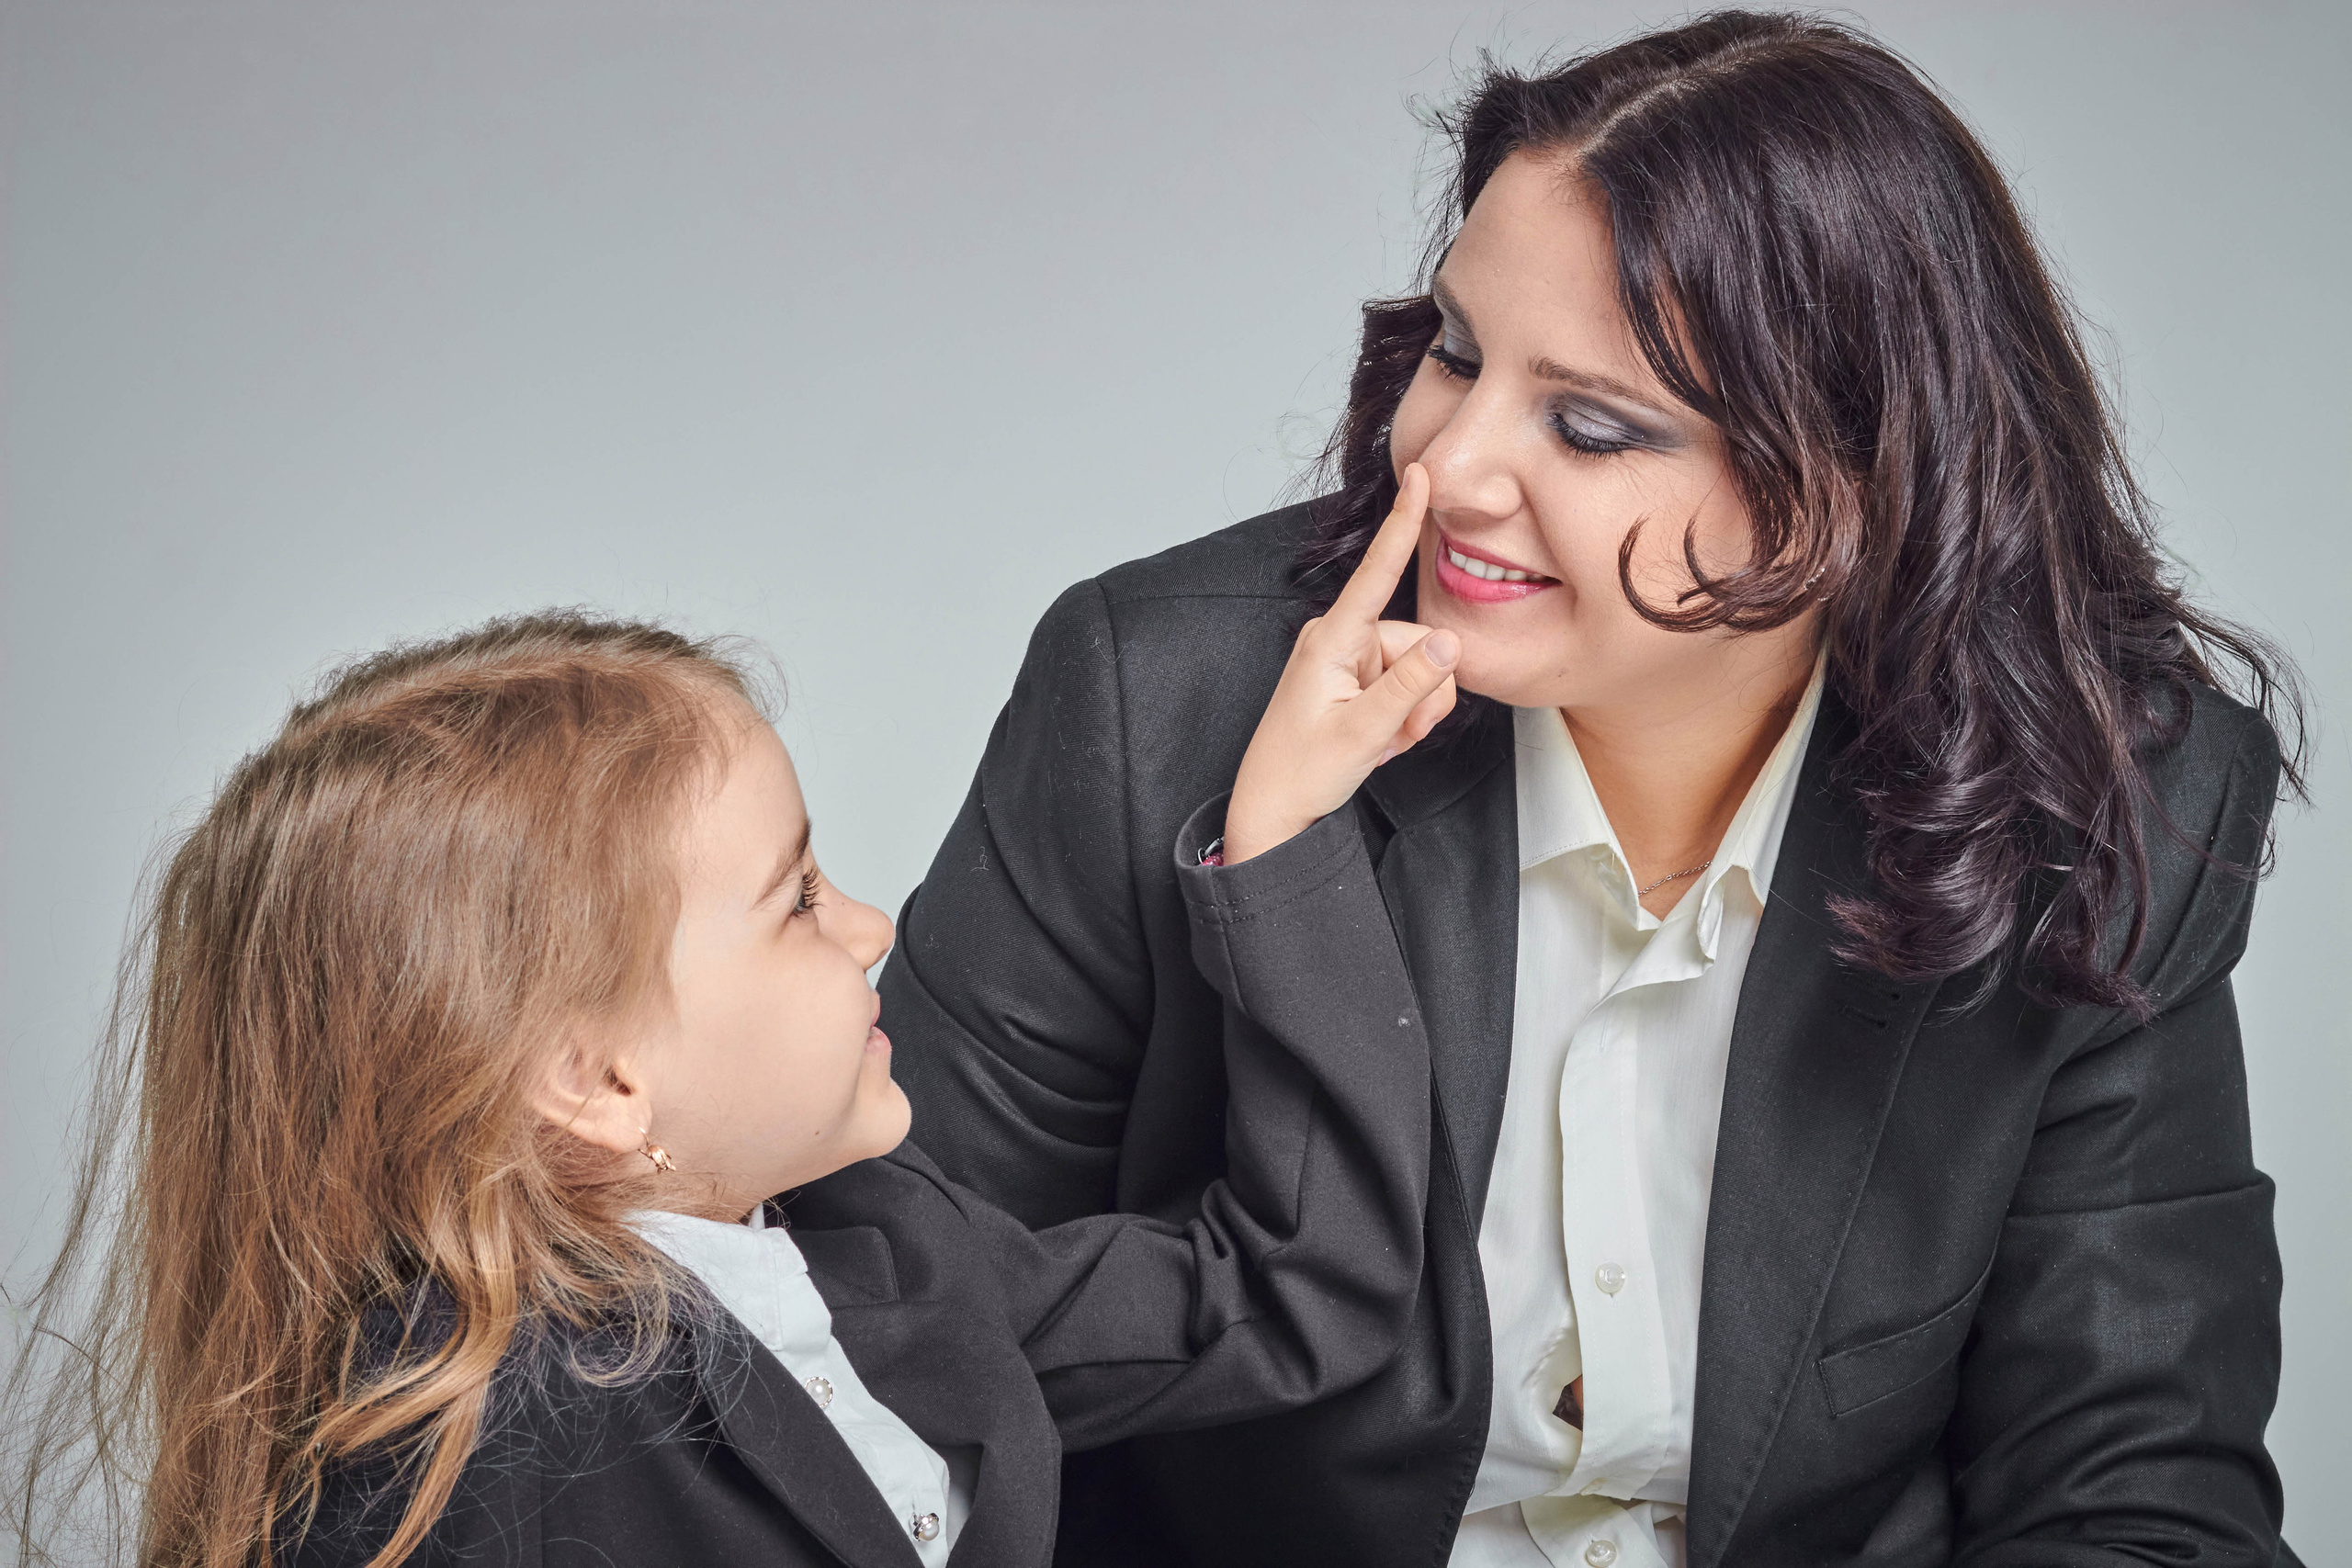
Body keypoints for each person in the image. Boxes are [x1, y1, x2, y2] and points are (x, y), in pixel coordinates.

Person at [877, 11, 2304, 1566]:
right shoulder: (1158, 702)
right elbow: (911, 1330)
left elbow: (2134, 1490)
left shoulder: (2098, 803)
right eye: (1460, 355)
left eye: (1593, 423)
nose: (1453, 464)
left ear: (1854, 487)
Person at [4, 580, 1463, 1566]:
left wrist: (1279, 844)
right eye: (798, 898)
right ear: (599, 1080)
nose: (874, 928)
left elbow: (1291, 1291)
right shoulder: (445, 1460)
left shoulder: (885, 1246)